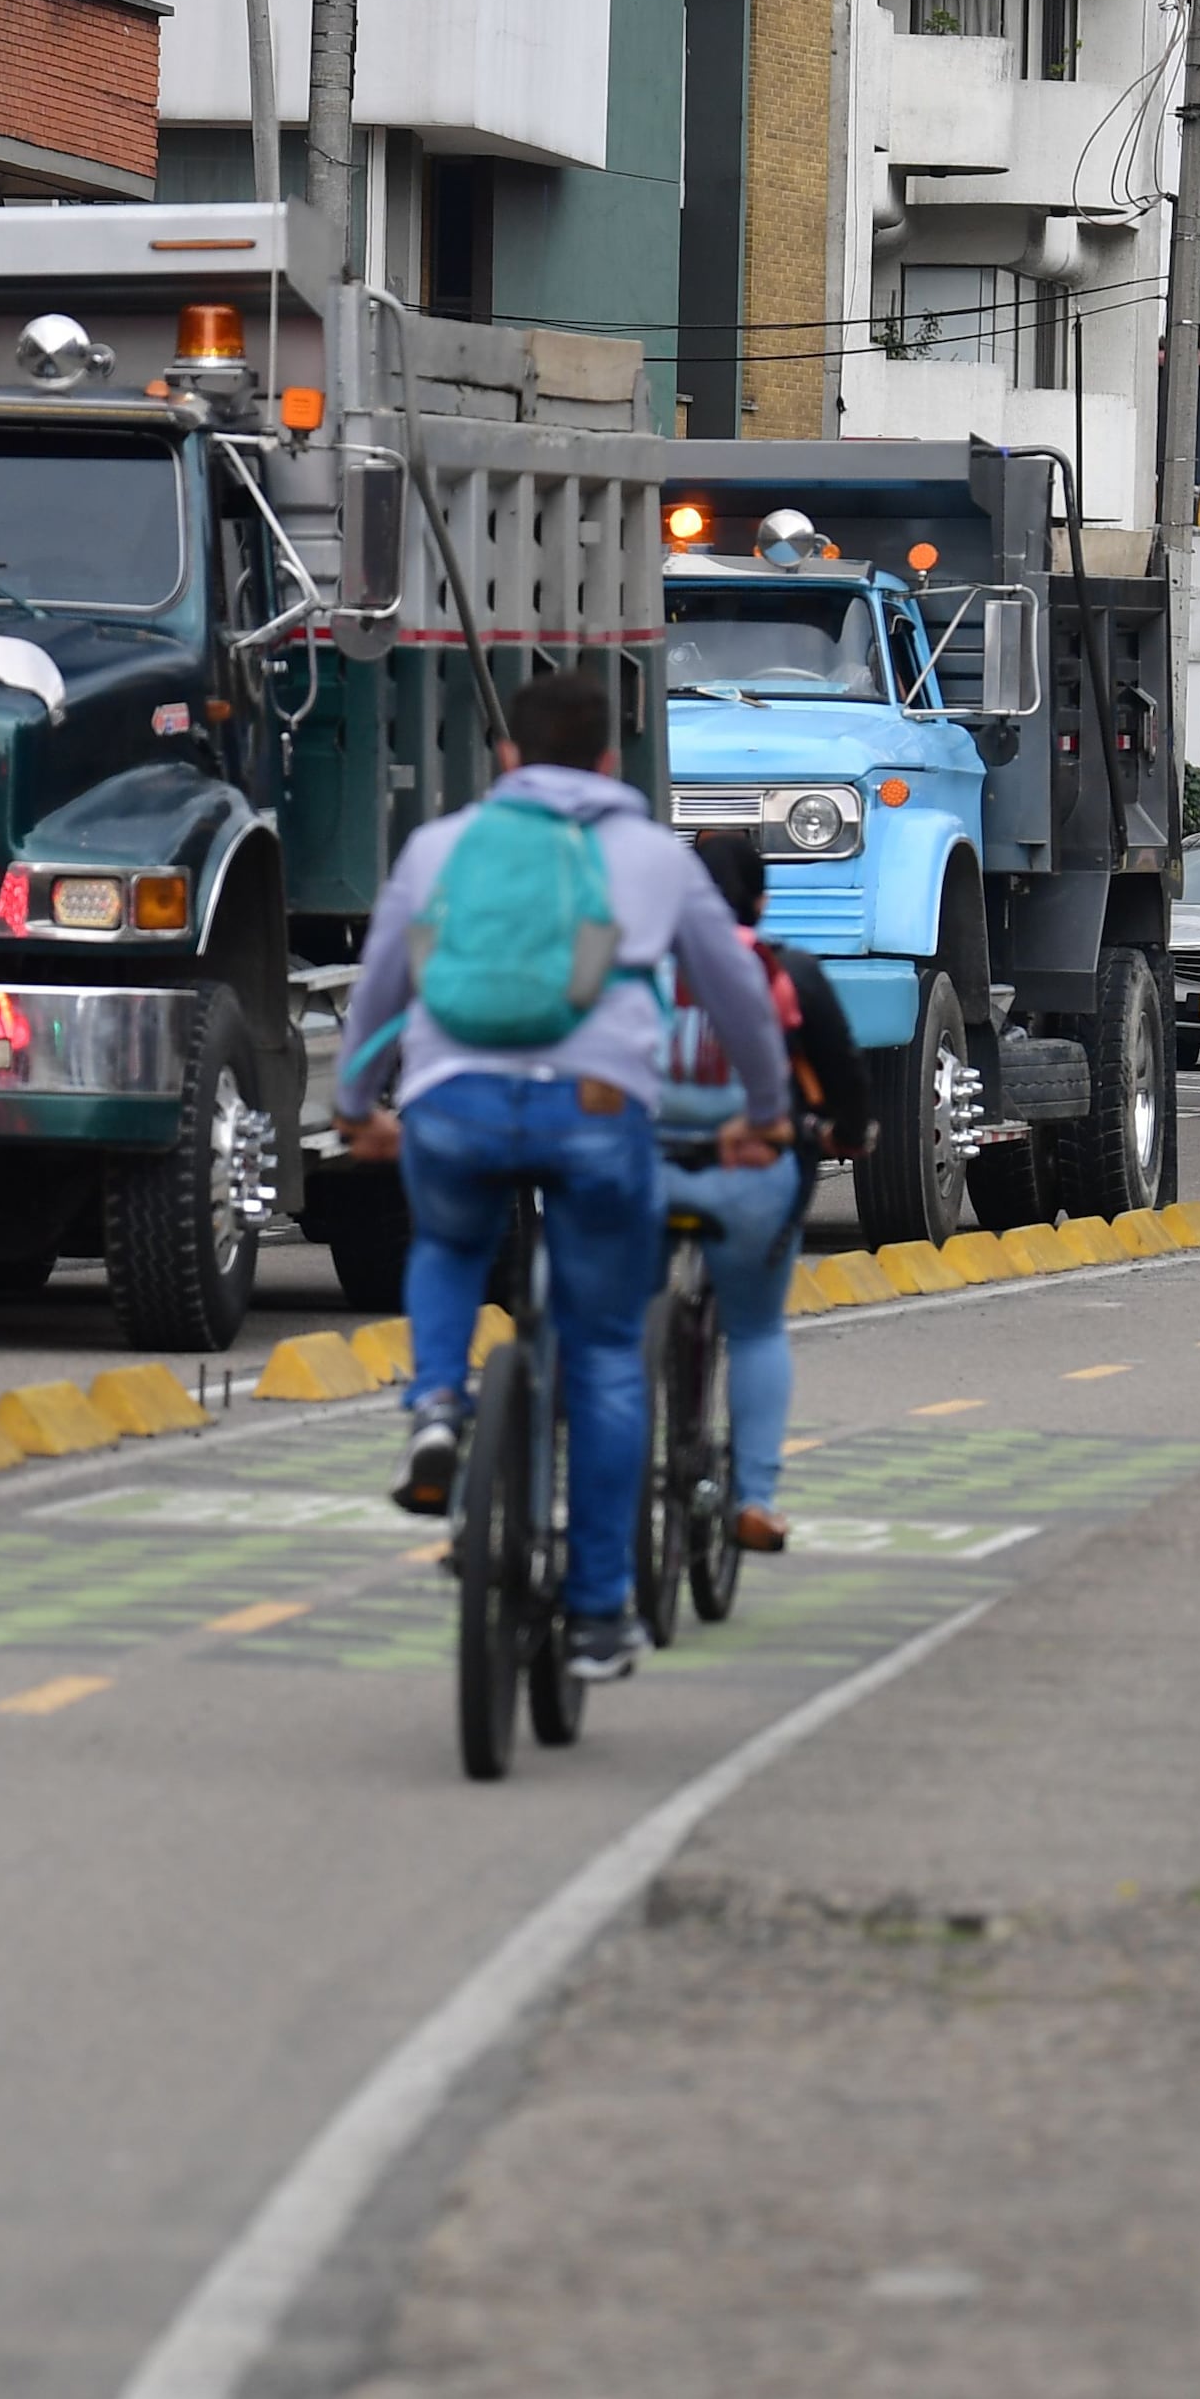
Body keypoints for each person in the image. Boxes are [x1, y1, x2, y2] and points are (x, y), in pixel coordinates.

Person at [337, 669, 790, 1682]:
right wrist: (766, 1113)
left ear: (506, 759)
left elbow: (379, 984)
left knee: (450, 1242)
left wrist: (352, 1103)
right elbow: (738, 1001)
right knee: (598, 1356)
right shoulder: (650, 859)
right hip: (594, 1117)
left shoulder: (438, 846)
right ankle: (593, 1615)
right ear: (607, 761)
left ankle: (436, 1411)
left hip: (450, 1106)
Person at [657, 830, 865, 1555]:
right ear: (761, 900)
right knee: (752, 1328)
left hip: (643, 1174)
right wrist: (849, 1132)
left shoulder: (635, 966)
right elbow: (848, 1094)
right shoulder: (787, 971)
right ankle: (754, 1498)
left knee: (609, 1333)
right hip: (748, 1179)